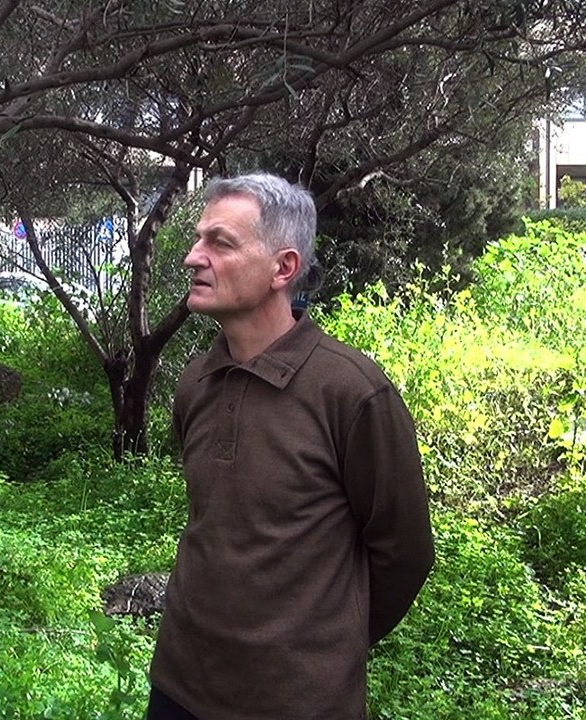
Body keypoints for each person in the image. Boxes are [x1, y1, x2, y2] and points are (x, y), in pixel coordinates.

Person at [146, 173, 434, 720]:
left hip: (298, 702)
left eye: (220, 242)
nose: (193, 257)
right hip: (181, 687)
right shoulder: (196, 383)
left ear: (284, 268)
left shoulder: (352, 392)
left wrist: (321, 644)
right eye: (199, 238)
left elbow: (406, 552)